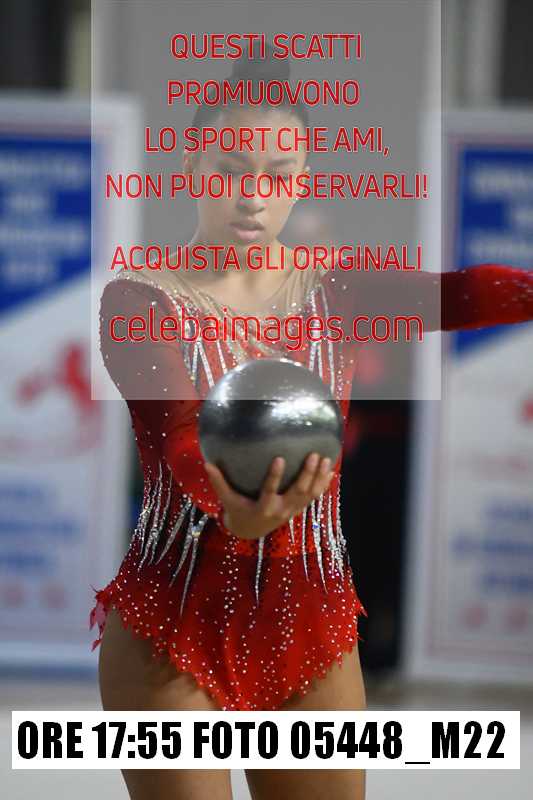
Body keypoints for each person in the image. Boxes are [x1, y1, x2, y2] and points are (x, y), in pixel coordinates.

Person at [89, 45, 533, 800]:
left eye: (277, 176)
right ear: (192, 165)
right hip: (174, 620)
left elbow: (462, 294)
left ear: (301, 183)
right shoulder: (139, 301)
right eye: (231, 170)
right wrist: (234, 507)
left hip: (308, 621)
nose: (252, 198)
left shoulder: (337, 292)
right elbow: (180, 436)